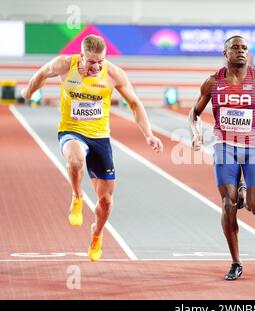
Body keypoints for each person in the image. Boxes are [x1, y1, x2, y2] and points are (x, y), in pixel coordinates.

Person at [21, 34, 163, 261]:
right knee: (75, 160)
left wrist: (149, 134)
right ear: (81, 56)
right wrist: (29, 91)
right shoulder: (65, 65)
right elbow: (42, 74)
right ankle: (77, 197)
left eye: (100, 61)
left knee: (106, 201)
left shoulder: (114, 74)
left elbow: (135, 103)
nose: (96, 66)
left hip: (100, 138)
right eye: (91, 61)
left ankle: (97, 234)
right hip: (72, 131)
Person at [189, 35, 255, 280]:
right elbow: (194, 113)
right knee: (228, 204)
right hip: (225, 147)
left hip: (253, 148)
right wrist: (196, 134)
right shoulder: (212, 82)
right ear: (225, 52)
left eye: (244, 48)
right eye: (235, 48)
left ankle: (244, 186)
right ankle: (236, 261)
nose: (241, 51)